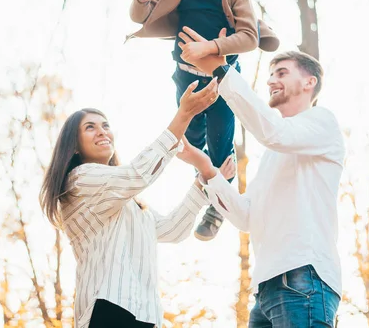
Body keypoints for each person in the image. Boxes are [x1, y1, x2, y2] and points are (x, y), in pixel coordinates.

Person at [128, 0, 279, 241]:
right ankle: (205, 180)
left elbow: (250, 36)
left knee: (221, 142)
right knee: (191, 142)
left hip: (222, 79)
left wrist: (211, 48)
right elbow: (140, 16)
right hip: (185, 77)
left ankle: (220, 203)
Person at [178, 26, 346, 327]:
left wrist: (220, 70)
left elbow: (273, 132)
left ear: (310, 82)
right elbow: (246, 217)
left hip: (304, 279)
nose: (271, 80)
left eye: (281, 73)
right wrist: (205, 167)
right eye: (270, 75)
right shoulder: (274, 153)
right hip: (267, 289)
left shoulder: (322, 123)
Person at [39, 78, 235, 328]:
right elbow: (137, 175)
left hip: (143, 312)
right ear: (74, 145)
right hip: (108, 308)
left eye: (105, 125)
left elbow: (172, 230)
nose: (102, 131)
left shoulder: (128, 202)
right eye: (90, 127)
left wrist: (202, 182)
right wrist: (183, 115)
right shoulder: (79, 180)